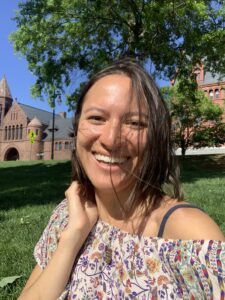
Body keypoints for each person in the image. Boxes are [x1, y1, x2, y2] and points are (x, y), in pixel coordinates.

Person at [19, 58, 225, 300]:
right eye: (96, 118)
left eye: (135, 123)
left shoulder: (190, 236)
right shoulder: (67, 215)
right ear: (77, 128)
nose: (111, 138)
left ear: (155, 138)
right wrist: (72, 238)